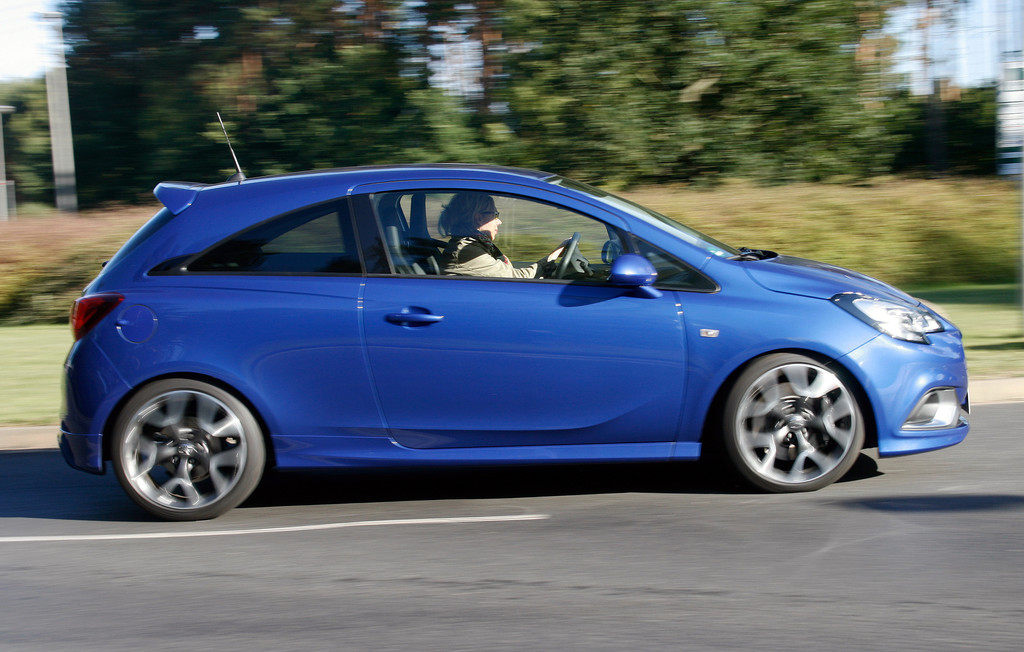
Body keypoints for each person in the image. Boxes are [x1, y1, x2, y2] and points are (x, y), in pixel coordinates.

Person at [438, 192, 565, 278]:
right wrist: (554, 255)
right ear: (479, 218)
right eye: (495, 215)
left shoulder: (477, 245)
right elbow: (517, 279)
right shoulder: (467, 251)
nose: (499, 222)